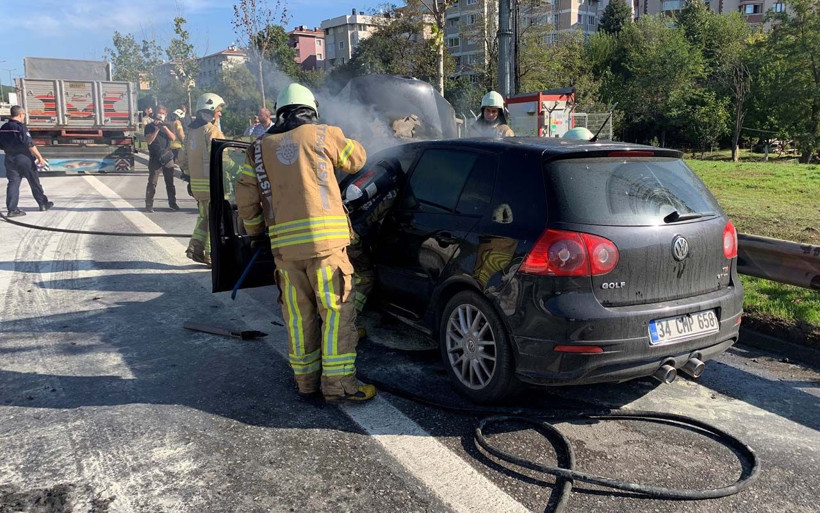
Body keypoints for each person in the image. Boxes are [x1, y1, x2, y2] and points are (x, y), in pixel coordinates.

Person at [234, 83, 376, 403]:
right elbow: (357, 159)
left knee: (299, 318)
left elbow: (246, 195)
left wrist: (255, 233)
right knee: (336, 313)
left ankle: (306, 383)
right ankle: (340, 386)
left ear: (280, 111)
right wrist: (351, 135)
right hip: (326, 247)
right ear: (311, 109)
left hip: (285, 252)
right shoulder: (324, 134)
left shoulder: (258, 148)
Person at [182, 93, 227, 267]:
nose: (220, 114)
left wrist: (190, 176)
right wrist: (238, 169)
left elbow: (182, 159)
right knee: (215, 219)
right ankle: (211, 255)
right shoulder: (211, 131)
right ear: (210, 110)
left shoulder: (191, 132)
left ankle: (195, 247)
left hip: (197, 186)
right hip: (213, 185)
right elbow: (223, 157)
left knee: (204, 217)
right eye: (218, 110)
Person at [0, 106, 53, 217]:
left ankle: (12, 209)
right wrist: (39, 157)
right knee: (34, 181)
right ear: (20, 114)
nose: (24, 117)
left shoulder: (3, 127)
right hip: (24, 158)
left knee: (13, 183)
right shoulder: (20, 127)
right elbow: (29, 144)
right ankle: (43, 204)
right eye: (24, 115)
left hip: (10, 158)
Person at [143, 105, 179, 213]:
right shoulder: (149, 126)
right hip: (155, 158)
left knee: (170, 182)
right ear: (155, 113)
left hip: (167, 156)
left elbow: (173, 138)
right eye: (159, 113)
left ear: (166, 114)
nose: (161, 115)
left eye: (163, 113)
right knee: (152, 182)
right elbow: (149, 141)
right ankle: (149, 204)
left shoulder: (167, 125)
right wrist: (156, 129)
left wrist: (165, 128)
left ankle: (172, 203)